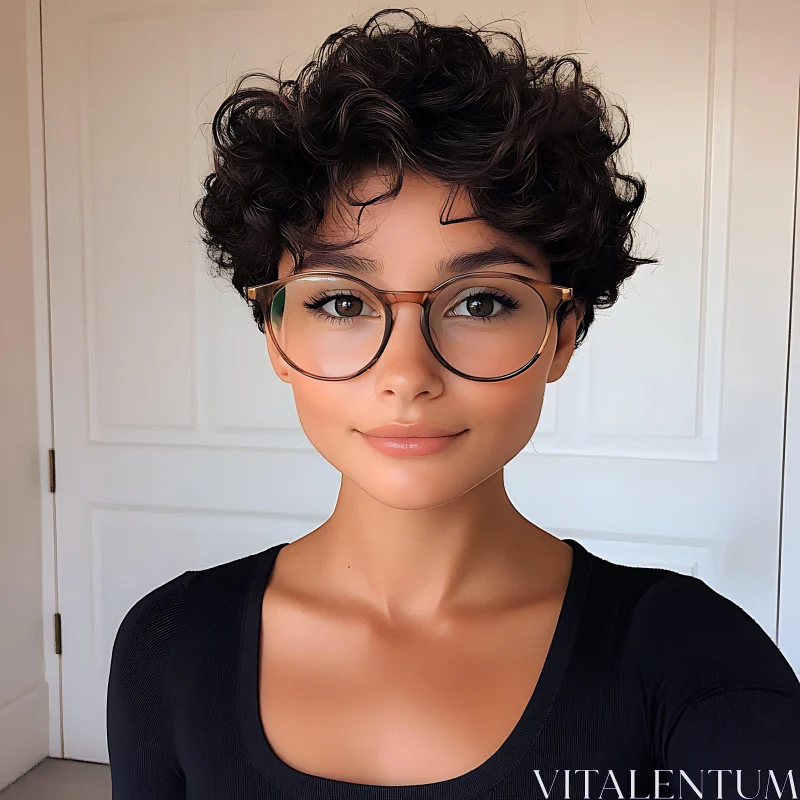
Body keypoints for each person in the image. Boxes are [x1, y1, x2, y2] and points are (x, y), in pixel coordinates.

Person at [106, 8, 800, 798]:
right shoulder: (167, 645)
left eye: (480, 303)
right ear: (274, 335)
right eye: (341, 303)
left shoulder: (693, 662)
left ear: (563, 334)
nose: (407, 373)